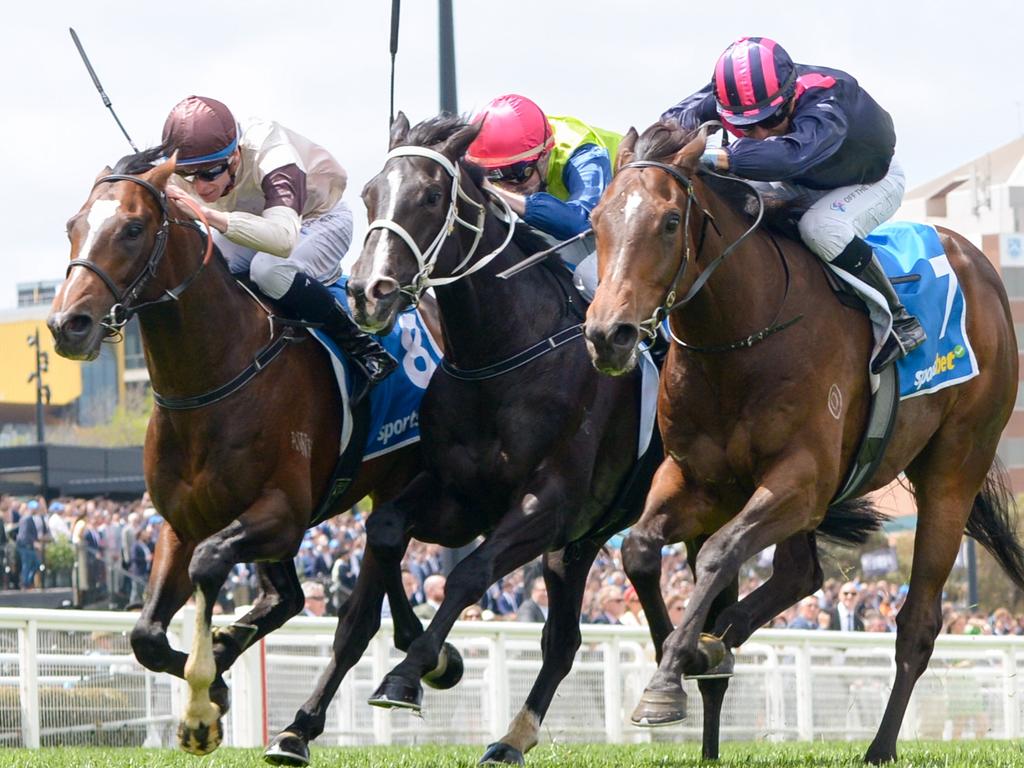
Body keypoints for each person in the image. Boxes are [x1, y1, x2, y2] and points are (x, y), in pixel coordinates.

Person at [662, 37, 925, 374]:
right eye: (743, 126)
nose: (758, 134)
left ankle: (900, 319)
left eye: (770, 121)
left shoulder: (829, 96)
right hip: (797, 180)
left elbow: (789, 156)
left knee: (820, 228)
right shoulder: (730, 96)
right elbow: (670, 122)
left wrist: (711, 156)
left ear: (791, 96)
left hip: (868, 181)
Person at [161, 96, 396, 400]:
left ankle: (363, 349)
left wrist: (206, 214)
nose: (200, 187)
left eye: (210, 173)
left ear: (235, 156)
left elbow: (282, 239)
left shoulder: (272, 150)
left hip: (318, 219)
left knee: (268, 269)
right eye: (187, 176)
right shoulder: (194, 170)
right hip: (256, 221)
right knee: (208, 266)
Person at [466, 94, 621, 299]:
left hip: (635, 231)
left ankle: (659, 329)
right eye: (493, 176)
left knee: (589, 277)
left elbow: (582, 223)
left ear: (545, 154)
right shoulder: (513, 155)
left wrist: (493, 190)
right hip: (594, 232)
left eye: (518, 173)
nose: (509, 188)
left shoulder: (583, 152)